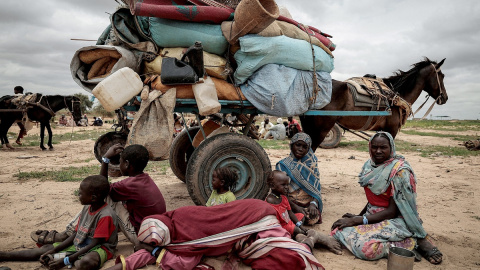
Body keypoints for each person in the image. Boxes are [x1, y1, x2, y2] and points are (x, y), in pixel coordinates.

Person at [104, 199, 325, 270]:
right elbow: (149, 254)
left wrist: (151, 250)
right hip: (252, 220)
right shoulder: (169, 231)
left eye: (149, 242)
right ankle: (306, 238)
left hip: (252, 219)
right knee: (282, 257)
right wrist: (123, 265)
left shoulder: (184, 231)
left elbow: (183, 262)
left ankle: (308, 239)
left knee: (291, 257)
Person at [331, 132, 443, 264]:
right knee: (338, 230)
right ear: (369, 147)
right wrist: (358, 217)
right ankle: (402, 241)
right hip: (373, 216)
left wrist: (359, 220)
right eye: (374, 147)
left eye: (383, 147)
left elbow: (392, 211)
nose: (378, 151)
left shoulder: (399, 171)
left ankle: (411, 244)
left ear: (391, 148)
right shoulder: (369, 166)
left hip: (398, 220)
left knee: (365, 248)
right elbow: (373, 199)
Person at [31, 144, 166, 247]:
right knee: (115, 202)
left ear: (127, 164)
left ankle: (67, 234)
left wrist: (105, 159)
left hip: (141, 237)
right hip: (154, 232)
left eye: (120, 161)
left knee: (103, 197)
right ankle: (91, 230)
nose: (119, 165)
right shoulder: (143, 179)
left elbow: (101, 188)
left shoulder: (130, 184)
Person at [0, 175, 118, 270]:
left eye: (81, 193)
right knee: (45, 250)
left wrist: (67, 260)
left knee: (86, 262)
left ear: (93, 198)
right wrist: (54, 250)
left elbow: (94, 244)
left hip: (98, 249)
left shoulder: (105, 215)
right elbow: (76, 235)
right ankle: (4, 255)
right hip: (79, 246)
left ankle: (69, 261)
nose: (78, 195)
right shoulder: (87, 208)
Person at [276, 133, 323, 225]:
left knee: (312, 217)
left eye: (305, 147)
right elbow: (280, 192)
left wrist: (313, 204)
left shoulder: (311, 164)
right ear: (291, 145)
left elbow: (316, 190)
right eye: (298, 145)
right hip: (290, 202)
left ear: (308, 149)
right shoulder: (283, 165)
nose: (300, 149)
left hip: (307, 203)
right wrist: (296, 207)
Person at [265, 170, 308, 237]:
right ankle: (297, 233)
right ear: (272, 186)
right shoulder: (270, 200)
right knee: (297, 230)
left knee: (301, 216)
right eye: (283, 185)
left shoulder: (283, 198)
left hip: (287, 221)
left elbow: (290, 213)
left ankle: (296, 232)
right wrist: (297, 227)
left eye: (287, 184)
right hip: (280, 226)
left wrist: (299, 225)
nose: (287, 187)